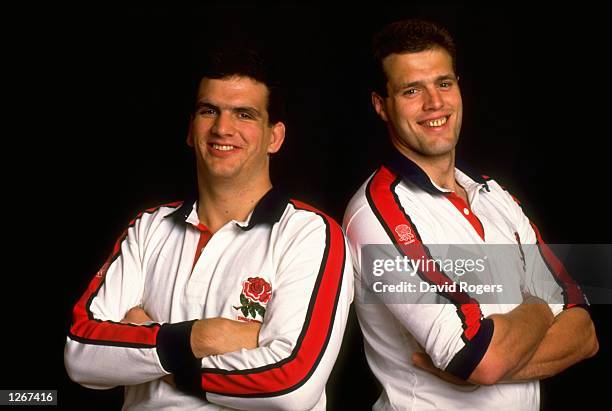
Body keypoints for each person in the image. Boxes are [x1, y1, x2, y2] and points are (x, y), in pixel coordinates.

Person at [65, 47, 353, 410]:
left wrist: (151, 351)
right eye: (208, 111)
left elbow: (290, 386)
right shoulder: (148, 227)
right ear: (190, 130)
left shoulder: (311, 234)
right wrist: (204, 336)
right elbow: (82, 353)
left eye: (244, 114)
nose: (222, 128)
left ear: (274, 137)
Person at [343, 19, 598, 411]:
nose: (435, 103)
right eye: (412, 90)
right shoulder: (376, 215)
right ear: (382, 106)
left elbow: (584, 332)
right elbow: (479, 358)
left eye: (444, 83)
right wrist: (539, 305)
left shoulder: (494, 195)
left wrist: (490, 359)